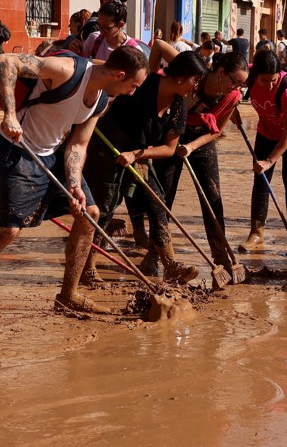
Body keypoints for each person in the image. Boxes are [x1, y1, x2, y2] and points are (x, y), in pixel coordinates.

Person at [0, 47, 148, 325]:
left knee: (90, 214)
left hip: (52, 154)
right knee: (8, 230)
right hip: (18, 149)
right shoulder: (67, 70)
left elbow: (77, 144)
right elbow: (5, 61)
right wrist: (10, 115)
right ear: (119, 75)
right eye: (132, 86)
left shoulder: (101, 100)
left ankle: (68, 295)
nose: (132, 93)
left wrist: (74, 184)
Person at [82, 50, 207, 283]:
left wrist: (137, 154)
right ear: (181, 76)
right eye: (195, 80)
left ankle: (171, 265)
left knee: (157, 201)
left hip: (136, 154)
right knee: (104, 208)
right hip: (106, 148)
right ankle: (87, 268)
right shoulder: (144, 84)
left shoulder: (179, 107)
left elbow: (169, 149)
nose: (196, 87)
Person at [153, 47, 249, 271]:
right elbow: (158, 45)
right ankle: (156, 252)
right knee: (164, 196)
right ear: (221, 71)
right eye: (235, 81)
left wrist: (192, 146)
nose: (236, 88)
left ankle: (221, 256)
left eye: (242, 85)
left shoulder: (232, 96)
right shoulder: (195, 77)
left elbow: (217, 131)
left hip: (201, 140)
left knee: (213, 199)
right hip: (173, 135)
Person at [239, 51, 287, 261]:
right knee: (260, 180)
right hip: (266, 131)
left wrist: (270, 160)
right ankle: (257, 232)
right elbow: (230, 87)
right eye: (264, 81)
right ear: (255, 76)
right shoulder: (248, 76)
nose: (269, 86)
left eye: (273, 80)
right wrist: (230, 108)